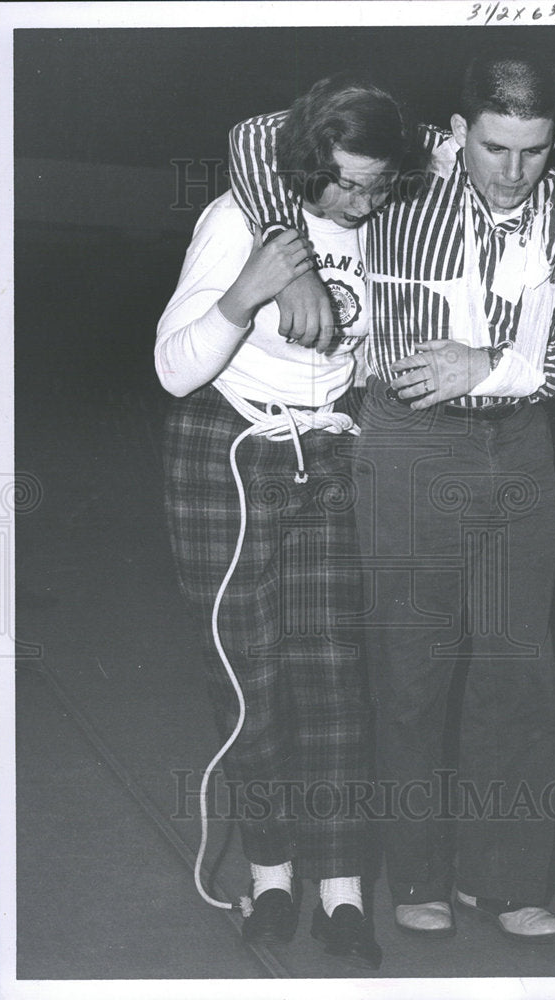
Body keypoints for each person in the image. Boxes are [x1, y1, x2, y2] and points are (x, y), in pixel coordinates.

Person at [229, 49, 555, 943]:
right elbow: (256, 139)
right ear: (455, 133)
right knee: (410, 669)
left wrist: (495, 365)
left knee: (518, 667)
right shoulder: (404, 189)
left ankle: (507, 881)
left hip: (520, 448)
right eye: (492, 148)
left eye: (533, 151)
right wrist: (288, 264)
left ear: (554, 141)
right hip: (407, 444)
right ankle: (417, 876)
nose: (512, 172)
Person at [156, 75, 423, 971]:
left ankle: (344, 893)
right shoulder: (241, 219)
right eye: (344, 181)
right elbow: (173, 370)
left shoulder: (387, 217)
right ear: (309, 163)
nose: (360, 200)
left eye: (377, 184)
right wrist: (251, 292)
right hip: (227, 447)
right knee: (248, 675)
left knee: (333, 675)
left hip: (330, 452)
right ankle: (271, 875)